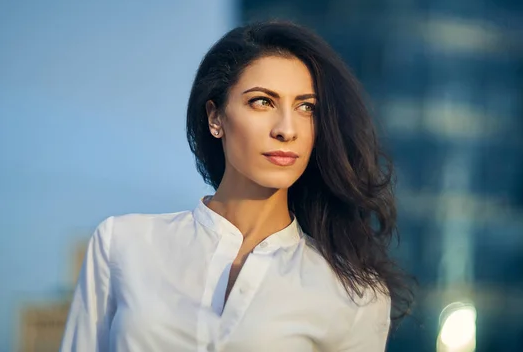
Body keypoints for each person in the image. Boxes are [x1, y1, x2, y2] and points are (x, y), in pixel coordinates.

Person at [60, 21, 413, 351]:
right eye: (262, 101)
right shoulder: (122, 244)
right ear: (215, 117)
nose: (286, 129)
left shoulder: (357, 295)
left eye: (306, 107)